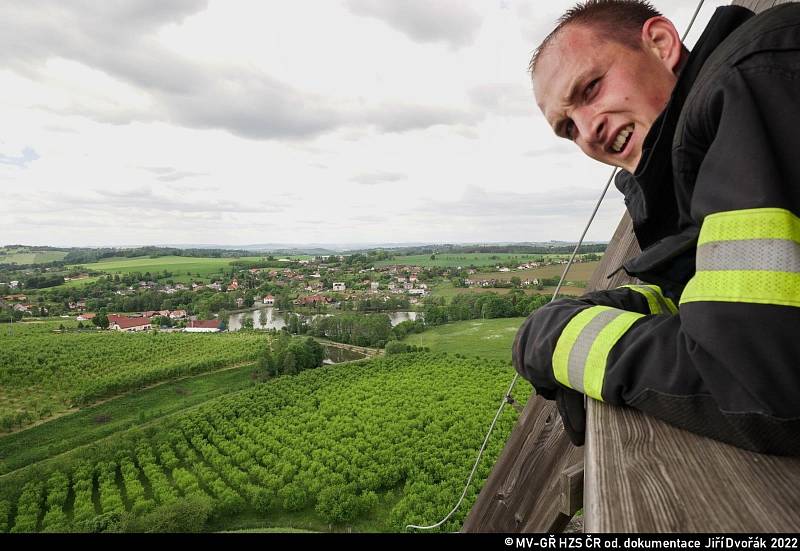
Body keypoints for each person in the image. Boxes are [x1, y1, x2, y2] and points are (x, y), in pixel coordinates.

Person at [513, 0, 800, 455]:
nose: (587, 132)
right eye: (568, 128)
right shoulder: (695, 159)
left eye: (590, 88)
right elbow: (705, 296)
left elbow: (754, 383)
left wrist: (554, 341)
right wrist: (598, 307)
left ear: (661, 44)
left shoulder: (749, 85)